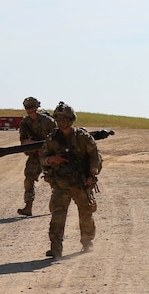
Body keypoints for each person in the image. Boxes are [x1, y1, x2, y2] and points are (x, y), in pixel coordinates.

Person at [39, 102, 102, 259]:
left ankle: (87, 243)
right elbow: (43, 159)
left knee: (86, 213)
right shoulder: (53, 138)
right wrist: (52, 159)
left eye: (64, 118)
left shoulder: (83, 138)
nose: (61, 121)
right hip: (61, 184)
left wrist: (91, 176)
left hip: (81, 183)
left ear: (71, 119)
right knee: (57, 215)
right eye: (58, 118)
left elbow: (95, 157)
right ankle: (55, 249)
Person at [17, 96, 57, 216]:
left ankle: (56, 206)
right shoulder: (25, 123)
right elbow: (22, 141)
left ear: (36, 107)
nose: (29, 110)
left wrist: (47, 150)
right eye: (27, 107)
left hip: (49, 156)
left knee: (54, 180)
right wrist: (27, 143)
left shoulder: (48, 121)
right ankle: (28, 207)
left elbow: (58, 138)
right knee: (29, 179)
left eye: (31, 107)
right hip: (34, 156)